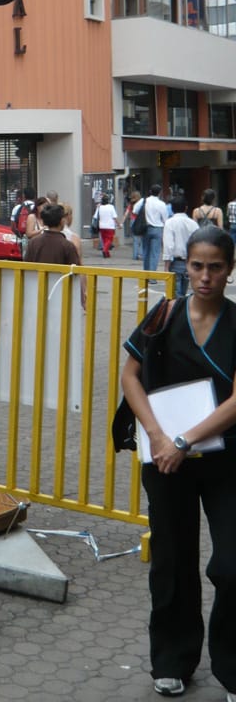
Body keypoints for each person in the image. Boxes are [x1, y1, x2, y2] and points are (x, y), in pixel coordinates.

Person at [120, 227, 236, 700]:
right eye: (197, 265)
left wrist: (185, 440)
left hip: (225, 461)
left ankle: (232, 666)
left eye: (216, 267)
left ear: (230, 270)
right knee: (171, 561)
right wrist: (156, 435)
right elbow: (130, 375)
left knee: (232, 565)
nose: (205, 276)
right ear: (185, 265)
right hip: (166, 460)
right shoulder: (163, 315)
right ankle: (172, 659)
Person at [162, 196, 198, 298]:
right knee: (183, 292)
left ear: (172, 208)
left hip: (176, 262)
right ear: (186, 208)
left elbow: (169, 245)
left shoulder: (170, 223)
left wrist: (166, 265)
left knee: (174, 294)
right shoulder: (193, 224)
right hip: (190, 261)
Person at [138, 184, 167, 279]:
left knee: (146, 251)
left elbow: (135, 210)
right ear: (160, 193)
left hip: (146, 228)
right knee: (155, 253)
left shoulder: (144, 201)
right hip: (157, 229)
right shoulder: (161, 204)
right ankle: (152, 277)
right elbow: (165, 219)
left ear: (150, 191)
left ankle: (145, 274)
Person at [94, 193, 119, 258]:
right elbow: (114, 217)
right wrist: (118, 224)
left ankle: (107, 254)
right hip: (110, 226)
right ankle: (105, 250)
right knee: (109, 240)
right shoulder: (111, 207)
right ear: (108, 200)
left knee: (105, 240)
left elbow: (96, 216)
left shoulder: (100, 207)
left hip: (102, 226)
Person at [125, 190, 143, 260]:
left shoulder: (131, 205)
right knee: (142, 239)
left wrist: (121, 222)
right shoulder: (141, 204)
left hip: (132, 221)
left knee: (135, 240)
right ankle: (140, 254)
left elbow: (126, 214)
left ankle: (135, 256)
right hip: (140, 221)